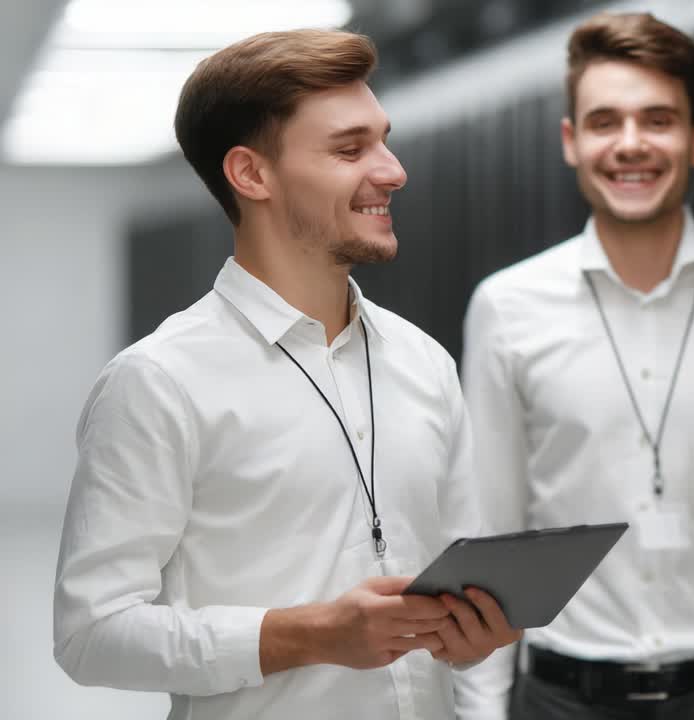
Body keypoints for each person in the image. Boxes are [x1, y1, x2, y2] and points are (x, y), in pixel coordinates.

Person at [52, 29, 520, 720]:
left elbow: (467, 607)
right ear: (251, 174)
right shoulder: (159, 380)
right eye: (349, 148)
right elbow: (90, 634)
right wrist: (306, 635)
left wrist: (476, 635)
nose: (393, 170)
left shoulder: (423, 361)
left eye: (383, 140)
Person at [460, 12, 694, 720]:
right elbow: (491, 528)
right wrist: (479, 711)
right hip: (562, 699)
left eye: (657, 120)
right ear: (572, 141)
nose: (631, 145)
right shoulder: (508, 308)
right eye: (605, 122)